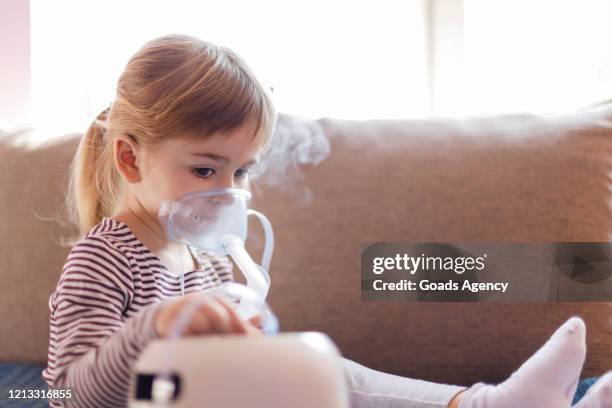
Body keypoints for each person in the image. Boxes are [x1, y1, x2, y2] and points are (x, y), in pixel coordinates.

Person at [42, 33, 612, 408]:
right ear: (129, 157)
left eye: (241, 173)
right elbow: (69, 394)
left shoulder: (205, 256)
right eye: (204, 169)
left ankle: (483, 403)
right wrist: (155, 328)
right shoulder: (104, 257)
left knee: (323, 368)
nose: (227, 193)